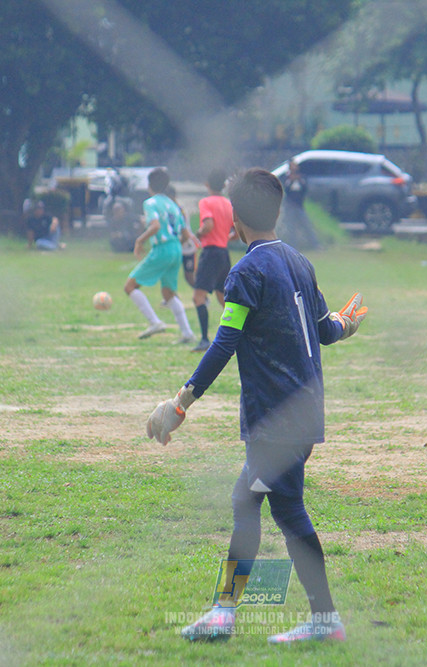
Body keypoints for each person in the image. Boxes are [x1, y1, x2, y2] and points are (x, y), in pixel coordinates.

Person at [145, 168, 367, 644]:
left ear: (234, 220)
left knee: (278, 510)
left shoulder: (245, 272)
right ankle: (235, 611)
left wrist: (181, 403)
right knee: (255, 502)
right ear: (278, 210)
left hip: (275, 417)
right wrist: (347, 324)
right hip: (302, 413)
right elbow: (326, 329)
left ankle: (307, 618)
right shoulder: (299, 262)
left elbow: (226, 340)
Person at [124, 168, 196, 343]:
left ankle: (155, 322)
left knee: (130, 286)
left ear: (149, 185)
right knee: (168, 293)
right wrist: (173, 247)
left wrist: (140, 241)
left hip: (162, 249)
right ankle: (187, 333)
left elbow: (155, 226)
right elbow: (185, 234)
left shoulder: (150, 203)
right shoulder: (173, 204)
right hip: (176, 249)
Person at [191, 168, 235, 352]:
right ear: (224, 185)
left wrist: (198, 234)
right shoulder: (228, 204)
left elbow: (208, 225)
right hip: (224, 253)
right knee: (223, 298)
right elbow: (237, 231)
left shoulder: (206, 202)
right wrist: (224, 237)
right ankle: (239, 334)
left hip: (210, 253)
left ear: (207, 185)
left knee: (198, 296)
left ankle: (204, 339)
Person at [277, 159, 319, 251]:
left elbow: (305, 188)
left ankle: (315, 245)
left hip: (299, 206)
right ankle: (293, 246)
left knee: (306, 225)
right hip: (290, 206)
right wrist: (291, 180)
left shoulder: (302, 177)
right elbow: (285, 189)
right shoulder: (286, 177)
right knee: (291, 227)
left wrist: (298, 179)